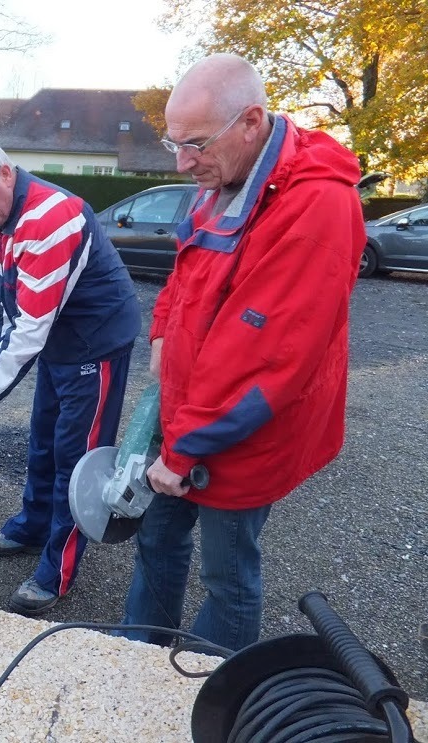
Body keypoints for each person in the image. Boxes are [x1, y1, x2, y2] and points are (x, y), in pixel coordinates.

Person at [120, 53, 366, 650]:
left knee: (227, 574)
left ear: (251, 121)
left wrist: (183, 451)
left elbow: (264, 358)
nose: (182, 162)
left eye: (195, 144)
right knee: (157, 537)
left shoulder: (316, 206)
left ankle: (211, 689)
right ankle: (132, 658)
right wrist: (162, 331)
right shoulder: (224, 179)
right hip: (189, 414)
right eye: (174, 143)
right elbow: (186, 270)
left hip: (242, 431)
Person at [0, 134, 141, 616]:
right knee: (43, 442)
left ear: (4, 173)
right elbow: (4, 303)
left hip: (95, 342)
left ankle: (58, 570)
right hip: (57, 342)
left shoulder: (52, 216)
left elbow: (29, 328)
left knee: (77, 459)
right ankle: (33, 526)